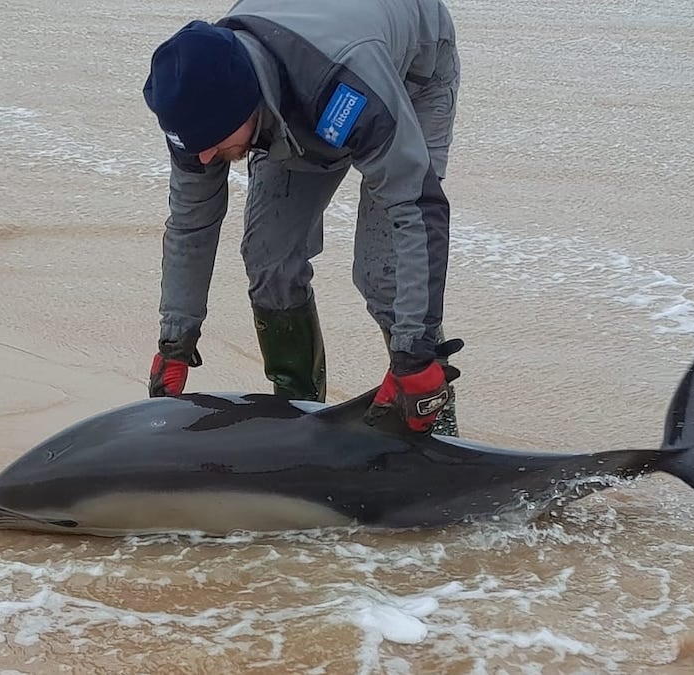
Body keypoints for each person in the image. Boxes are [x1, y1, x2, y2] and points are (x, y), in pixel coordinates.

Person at [141, 0, 463, 436]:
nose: (204, 157)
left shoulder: (344, 87)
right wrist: (175, 341)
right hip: (298, 84)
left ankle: (433, 415)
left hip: (405, 71)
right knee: (270, 261)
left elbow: (416, 207)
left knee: (381, 275)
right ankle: (299, 420)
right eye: (192, 144)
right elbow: (190, 224)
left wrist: (417, 354)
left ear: (246, 105)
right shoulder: (198, 104)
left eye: (213, 142)